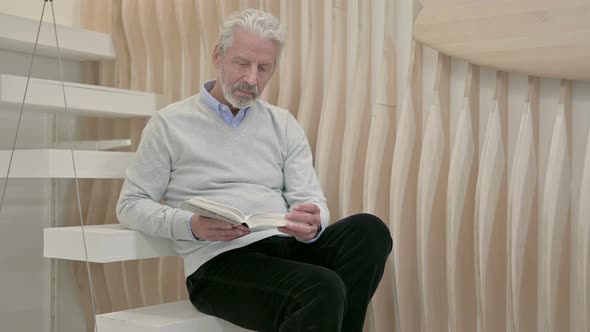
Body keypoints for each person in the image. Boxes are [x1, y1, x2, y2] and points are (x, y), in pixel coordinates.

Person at [117, 8, 392, 332]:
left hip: (285, 250)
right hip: (220, 264)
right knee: (322, 288)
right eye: (242, 63)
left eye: (264, 68)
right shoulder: (169, 124)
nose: (251, 79)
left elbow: (310, 197)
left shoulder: (283, 124)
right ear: (218, 56)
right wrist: (191, 225)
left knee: (370, 231)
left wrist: (314, 221)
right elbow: (130, 205)